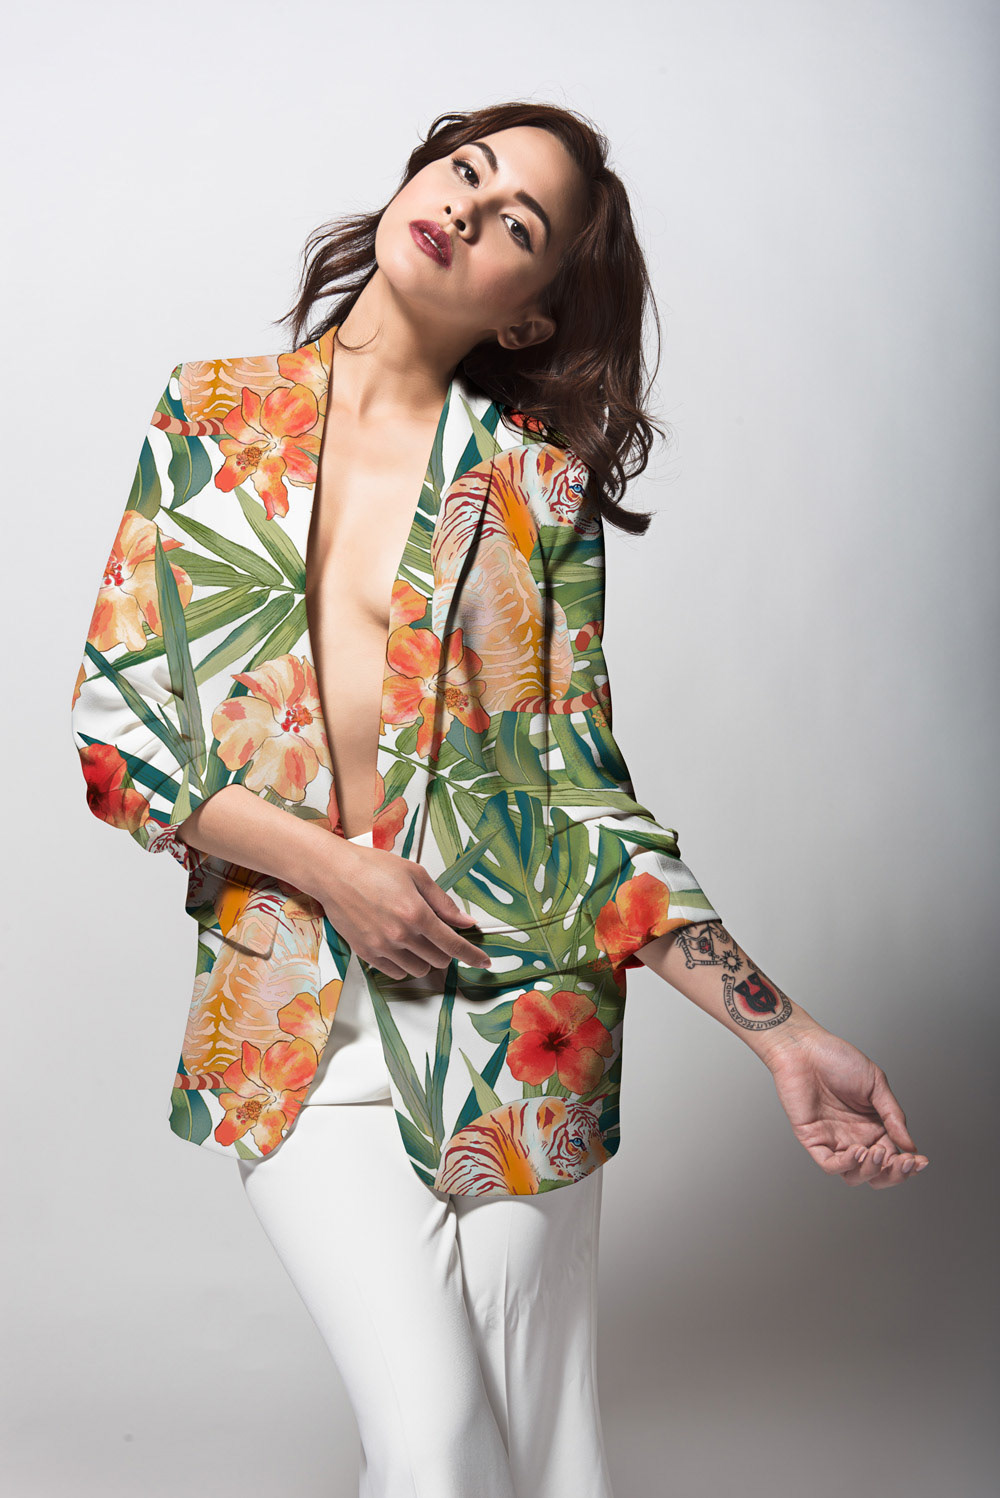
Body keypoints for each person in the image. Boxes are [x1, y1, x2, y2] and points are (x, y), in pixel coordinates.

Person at [71, 102, 928, 1498]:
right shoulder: (211, 417)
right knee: (438, 1444)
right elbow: (120, 739)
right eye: (464, 171)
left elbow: (583, 803)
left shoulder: (537, 489)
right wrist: (336, 872)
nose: (468, 208)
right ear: (419, 178)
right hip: (293, 1020)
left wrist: (784, 1033)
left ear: (529, 312)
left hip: (522, 1020)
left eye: (516, 220)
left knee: (546, 1455)